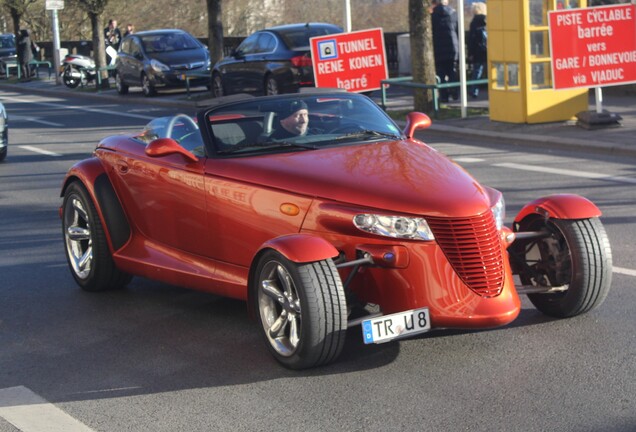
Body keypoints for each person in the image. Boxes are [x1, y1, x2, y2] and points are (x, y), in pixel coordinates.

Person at [431, 0, 459, 103]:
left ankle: (444, 96)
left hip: (438, 48)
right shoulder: (454, 14)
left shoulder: (432, 15)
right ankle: (455, 92)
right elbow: (457, 31)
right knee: (452, 71)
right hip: (452, 47)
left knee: (440, 74)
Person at [467, 2, 487, 98]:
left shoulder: (474, 22)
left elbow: (471, 39)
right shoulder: (487, 20)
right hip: (489, 50)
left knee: (477, 71)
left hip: (477, 51)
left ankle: (474, 90)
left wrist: (470, 53)